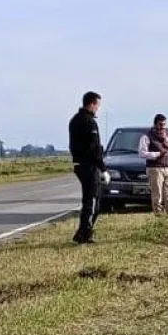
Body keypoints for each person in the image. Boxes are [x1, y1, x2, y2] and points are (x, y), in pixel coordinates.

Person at [68, 91, 107, 244]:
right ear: (91, 104)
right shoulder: (89, 122)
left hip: (79, 163)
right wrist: (103, 168)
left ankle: (81, 232)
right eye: (97, 105)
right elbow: (94, 148)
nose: (98, 109)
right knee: (93, 200)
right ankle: (86, 233)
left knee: (88, 199)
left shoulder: (74, 120)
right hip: (89, 165)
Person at [138, 113, 168, 219]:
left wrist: (166, 140)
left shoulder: (167, 134)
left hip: (166, 167)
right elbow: (142, 153)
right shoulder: (147, 136)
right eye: (160, 124)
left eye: (164, 124)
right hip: (154, 168)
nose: (162, 127)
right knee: (157, 194)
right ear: (155, 124)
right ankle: (159, 217)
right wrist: (157, 154)